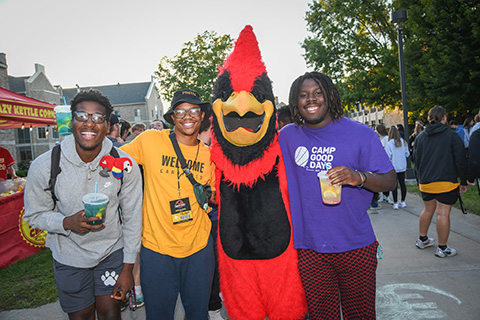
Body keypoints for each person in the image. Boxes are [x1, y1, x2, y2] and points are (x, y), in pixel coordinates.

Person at [279, 71, 396, 319]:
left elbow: (390, 180)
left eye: (317, 93)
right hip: (309, 249)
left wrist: (359, 177)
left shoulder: (361, 134)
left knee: (360, 316)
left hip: (356, 246)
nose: (311, 99)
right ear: (295, 102)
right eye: (303, 95)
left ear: (330, 96)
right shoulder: (286, 137)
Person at [23, 89, 143, 319]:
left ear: (108, 126)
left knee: (110, 314)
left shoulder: (125, 164)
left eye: (98, 118)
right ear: (72, 121)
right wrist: (66, 222)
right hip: (68, 256)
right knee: (81, 316)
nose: (90, 123)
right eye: (82, 116)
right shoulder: (45, 165)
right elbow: (34, 214)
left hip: (111, 252)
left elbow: (132, 218)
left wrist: (128, 269)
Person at [120, 89, 216, 319]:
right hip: (157, 250)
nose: (188, 116)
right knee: (159, 315)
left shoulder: (210, 156)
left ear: (202, 116)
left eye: (194, 110)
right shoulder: (150, 140)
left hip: (198, 249)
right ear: (172, 117)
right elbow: (114, 159)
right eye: (180, 111)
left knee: (198, 315)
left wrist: (209, 196)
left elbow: (213, 196)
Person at [413, 106, 467, 258]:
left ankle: (422, 239)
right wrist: (463, 180)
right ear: (444, 118)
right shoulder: (452, 136)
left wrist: (419, 180)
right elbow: (460, 159)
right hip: (446, 181)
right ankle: (442, 248)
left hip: (426, 181)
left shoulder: (420, 137)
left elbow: (416, 161)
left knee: (428, 209)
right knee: (443, 213)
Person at [385, 126, 410, 209]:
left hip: (394, 167)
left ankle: (395, 202)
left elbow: (388, 156)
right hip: (402, 166)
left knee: (394, 185)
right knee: (402, 184)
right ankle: (403, 201)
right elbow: (407, 154)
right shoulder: (403, 142)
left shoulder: (389, 143)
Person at [376, 124, 393, 204]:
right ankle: (383, 195)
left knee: (385, 179)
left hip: (385, 161)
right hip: (379, 161)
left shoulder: (386, 139)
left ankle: (387, 195)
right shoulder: (379, 139)